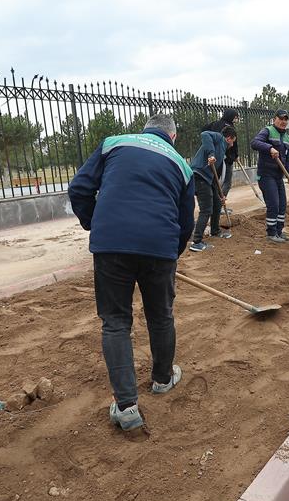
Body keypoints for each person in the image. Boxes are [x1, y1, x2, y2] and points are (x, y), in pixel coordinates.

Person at [67, 113, 195, 431]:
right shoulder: (182, 165)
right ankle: (162, 379)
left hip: (111, 246)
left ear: (145, 130)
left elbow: (79, 189)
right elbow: (186, 223)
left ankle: (126, 407)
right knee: (161, 315)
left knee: (115, 322)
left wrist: (96, 223)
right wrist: (171, 254)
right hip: (159, 247)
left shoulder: (113, 144)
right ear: (173, 136)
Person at [188, 126, 235, 252]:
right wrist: (211, 154)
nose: (232, 145)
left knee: (217, 202)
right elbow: (204, 134)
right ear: (229, 138)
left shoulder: (222, 150)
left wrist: (220, 195)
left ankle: (215, 230)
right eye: (233, 141)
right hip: (199, 176)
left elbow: (214, 177)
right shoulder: (219, 138)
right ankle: (196, 242)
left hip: (207, 179)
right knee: (206, 209)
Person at [251, 110, 289, 243]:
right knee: (274, 204)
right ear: (274, 119)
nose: (283, 122)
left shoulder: (287, 138)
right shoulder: (267, 131)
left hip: (278, 176)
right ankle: (271, 233)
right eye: (281, 119)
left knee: (282, 205)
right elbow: (255, 143)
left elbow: (287, 160)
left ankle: (279, 232)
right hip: (266, 175)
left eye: (285, 119)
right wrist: (269, 148)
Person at [202, 108, 240, 200]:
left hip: (214, 157)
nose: (236, 119)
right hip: (227, 158)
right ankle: (220, 202)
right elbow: (234, 144)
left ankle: (216, 202)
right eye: (235, 117)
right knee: (227, 181)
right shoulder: (230, 128)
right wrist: (235, 155)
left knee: (215, 181)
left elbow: (203, 130)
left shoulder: (215, 123)